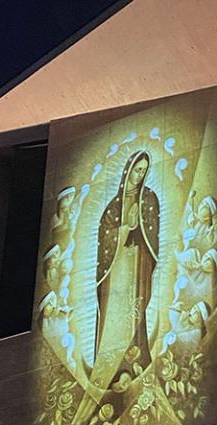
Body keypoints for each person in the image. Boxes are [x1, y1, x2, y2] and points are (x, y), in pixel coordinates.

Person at [95, 151, 159, 369]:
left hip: (136, 265)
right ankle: (110, 364)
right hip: (116, 270)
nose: (139, 175)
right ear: (127, 171)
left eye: (143, 170)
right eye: (136, 169)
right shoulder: (114, 206)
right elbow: (105, 237)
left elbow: (151, 235)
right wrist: (124, 228)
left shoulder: (148, 198)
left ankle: (135, 360)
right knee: (115, 312)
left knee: (134, 310)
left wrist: (138, 225)